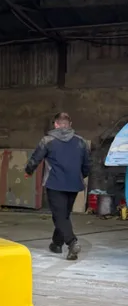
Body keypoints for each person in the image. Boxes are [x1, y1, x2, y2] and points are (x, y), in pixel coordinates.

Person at [25, 112, 90, 261]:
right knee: (64, 215)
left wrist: (28, 171)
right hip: (74, 184)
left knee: (60, 216)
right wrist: (80, 176)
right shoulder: (81, 142)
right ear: (70, 124)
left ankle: (72, 243)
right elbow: (87, 164)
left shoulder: (47, 141)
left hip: (55, 183)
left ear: (55, 124)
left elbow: (36, 158)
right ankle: (56, 244)